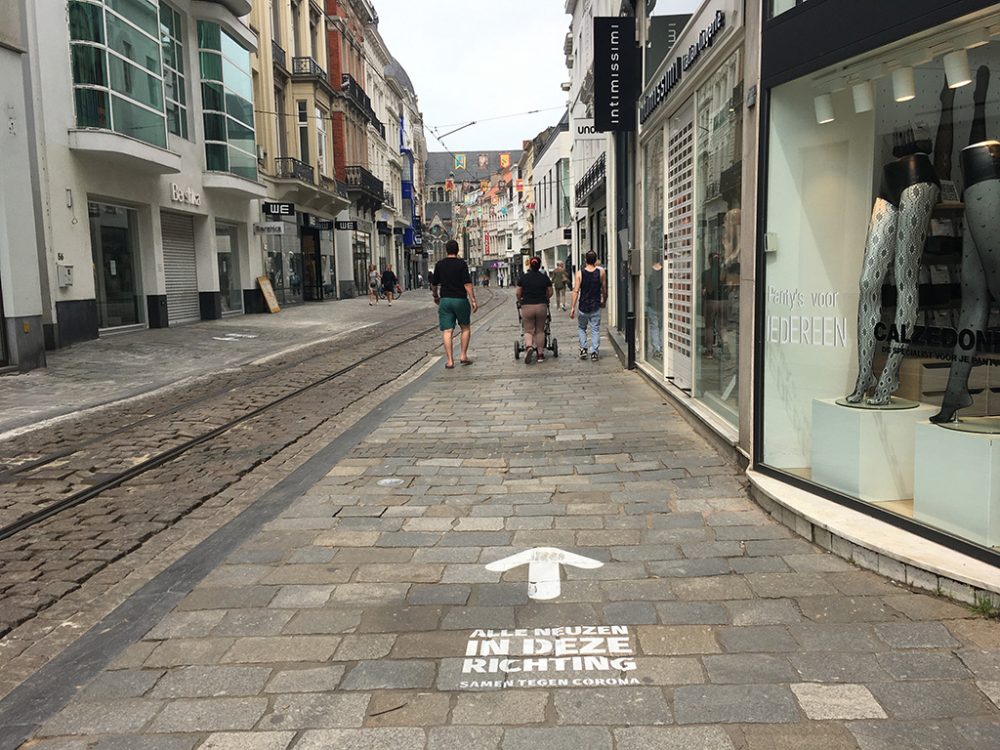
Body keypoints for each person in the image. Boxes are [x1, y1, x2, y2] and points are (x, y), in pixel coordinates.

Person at [432, 239, 478, 369]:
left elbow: (434, 284)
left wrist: (435, 296)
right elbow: (467, 284)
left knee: (447, 331)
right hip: (460, 300)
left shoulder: (439, 264)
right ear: (457, 251)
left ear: (446, 250)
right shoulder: (461, 264)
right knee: (465, 328)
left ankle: (450, 361)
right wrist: (473, 300)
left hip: (445, 300)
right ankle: (463, 355)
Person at [570, 250, 606, 361]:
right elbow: (604, 289)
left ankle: (583, 349)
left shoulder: (579, 273)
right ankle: (594, 352)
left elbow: (576, 291)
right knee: (595, 329)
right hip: (595, 305)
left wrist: (572, 307)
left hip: (583, 306)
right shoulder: (601, 272)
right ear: (595, 260)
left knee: (582, 328)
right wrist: (604, 300)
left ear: (585, 259)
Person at [516, 256, 553, 364]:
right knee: (540, 330)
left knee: (528, 330)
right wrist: (545, 298)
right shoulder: (544, 278)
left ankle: (528, 347)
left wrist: (520, 300)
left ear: (530, 265)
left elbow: (518, 292)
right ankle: (540, 354)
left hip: (527, 306)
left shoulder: (523, 278)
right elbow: (550, 292)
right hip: (541, 305)